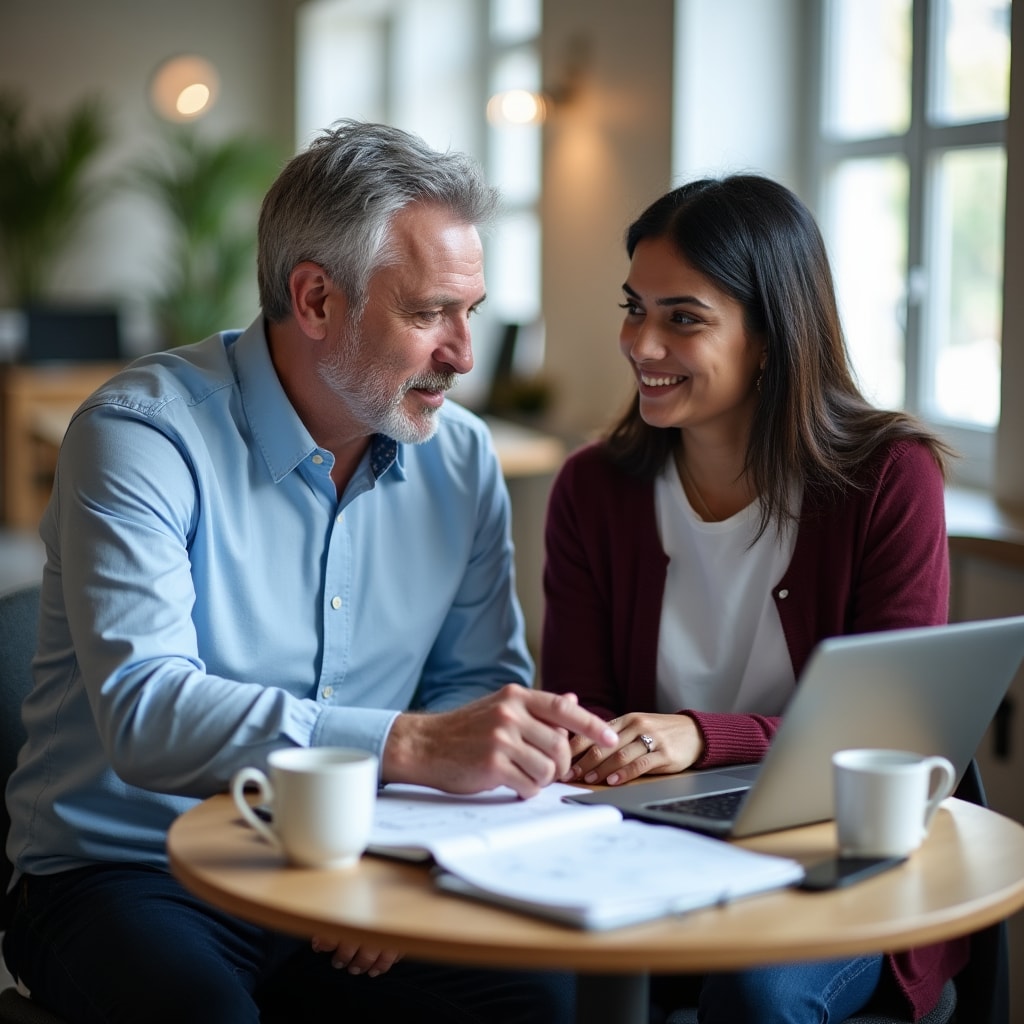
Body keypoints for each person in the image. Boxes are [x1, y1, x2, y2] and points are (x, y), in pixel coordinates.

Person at [2, 119, 619, 1024]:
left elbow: (476, 684)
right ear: (317, 299)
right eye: (427, 314)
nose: (464, 354)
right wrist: (403, 746)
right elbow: (147, 710)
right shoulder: (139, 437)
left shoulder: (463, 459)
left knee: (540, 999)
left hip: (361, 862)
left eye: (470, 312)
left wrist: (392, 851)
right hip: (133, 871)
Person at [541, 174, 964, 1023]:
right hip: (648, 846)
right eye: (635, 308)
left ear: (770, 336)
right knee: (537, 988)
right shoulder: (594, 488)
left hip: (841, 849)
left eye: (682, 318)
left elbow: (890, 734)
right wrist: (590, 747)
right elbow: (578, 719)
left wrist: (703, 739)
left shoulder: (886, 479)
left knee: (753, 996)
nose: (642, 345)